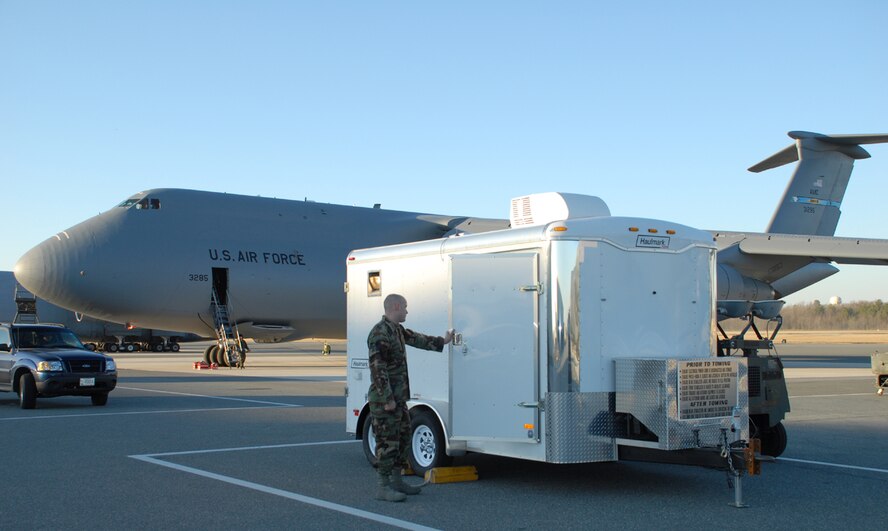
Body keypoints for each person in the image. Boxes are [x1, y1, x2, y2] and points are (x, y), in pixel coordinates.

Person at [368, 293, 453, 502]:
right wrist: (387, 398)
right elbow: (377, 368)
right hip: (385, 401)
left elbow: (417, 339)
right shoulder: (380, 333)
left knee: (403, 439)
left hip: (398, 399)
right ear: (395, 306)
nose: (407, 311)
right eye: (405, 307)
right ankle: (383, 487)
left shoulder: (396, 330)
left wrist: (443, 341)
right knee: (387, 443)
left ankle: (397, 481)